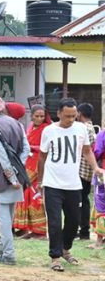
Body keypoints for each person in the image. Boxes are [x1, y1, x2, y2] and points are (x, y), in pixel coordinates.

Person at [38, 98, 105, 272]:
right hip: (52, 184)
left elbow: (87, 151)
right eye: (67, 116)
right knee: (54, 222)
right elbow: (42, 157)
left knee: (74, 221)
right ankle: (55, 257)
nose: (70, 119)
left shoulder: (81, 128)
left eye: (73, 116)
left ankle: (65, 249)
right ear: (59, 113)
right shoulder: (49, 131)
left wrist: (96, 168)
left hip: (73, 184)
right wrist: (40, 180)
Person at [0, 91, 29, 266]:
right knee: (8, 217)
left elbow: (1, 154)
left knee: (3, 219)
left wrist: (10, 176)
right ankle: (1, 246)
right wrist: (18, 170)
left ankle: (9, 254)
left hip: (1, 176)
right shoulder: (17, 124)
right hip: (17, 175)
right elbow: (25, 150)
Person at [13, 104, 51, 239]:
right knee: (25, 195)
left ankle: (40, 231)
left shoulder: (46, 129)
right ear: (31, 116)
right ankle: (25, 227)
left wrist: (31, 147)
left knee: (35, 196)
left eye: (42, 116)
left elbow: (47, 147)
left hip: (38, 164)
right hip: (27, 162)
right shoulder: (29, 127)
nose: (39, 119)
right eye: (37, 116)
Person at [77, 102, 97, 241]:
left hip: (81, 170)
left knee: (81, 201)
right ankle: (83, 230)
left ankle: (84, 231)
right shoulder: (91, 127)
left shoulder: (83, 128)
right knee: (83, 200)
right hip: (87, 171)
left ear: (79, 113)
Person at [90, 126, 105, 250]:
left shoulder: (102, 135)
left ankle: (99, 240)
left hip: (102, 172)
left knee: (101, 204)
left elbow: (97, 151)